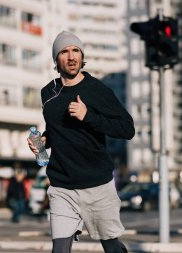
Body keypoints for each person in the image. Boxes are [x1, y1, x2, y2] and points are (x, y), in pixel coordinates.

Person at [27, 31, 135, 253]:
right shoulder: (48, 92)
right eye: (64, 52)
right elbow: (56, 129)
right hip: (62, 186)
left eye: (76, 50)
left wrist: (88, 116)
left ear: (82, 55)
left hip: (97, 184)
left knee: (111, 246)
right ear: (56, 59)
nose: (71, 56)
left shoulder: (96, 89)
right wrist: (44, 141)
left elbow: (127, 129)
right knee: (59, 249)